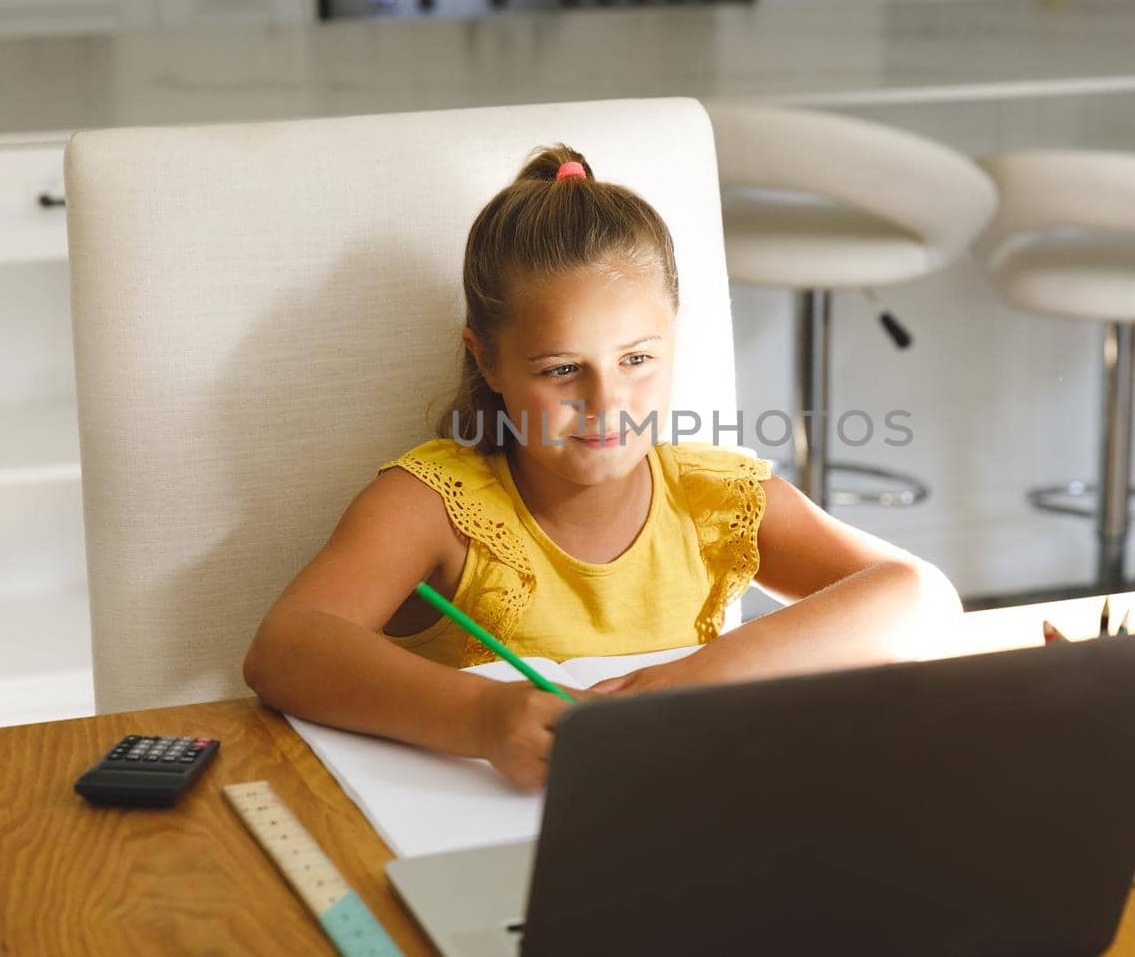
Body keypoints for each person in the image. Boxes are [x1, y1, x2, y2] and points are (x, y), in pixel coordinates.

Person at [243, 145, 959, 790]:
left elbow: (920, 595)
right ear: (486, 358)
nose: (606, 403)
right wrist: (485, 717)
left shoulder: (719, 496)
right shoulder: (432, 504)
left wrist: (695, 679)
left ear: (675, 340)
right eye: (562, 369)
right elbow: (286, 647)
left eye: (637, 359)